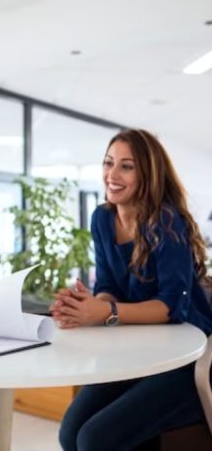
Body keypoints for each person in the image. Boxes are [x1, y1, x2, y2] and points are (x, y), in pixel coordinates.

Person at [51, 128, 212, 451]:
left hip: (188, 356)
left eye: (127, 166)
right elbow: (109, 286)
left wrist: (106, 312)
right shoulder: (101, 218)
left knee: (95, 439)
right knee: (69, 434)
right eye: (108, 163)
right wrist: (89, 307)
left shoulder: (167, 221)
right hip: (141, 346)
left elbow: (172, 307)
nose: (112, 174)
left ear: (148, 174)